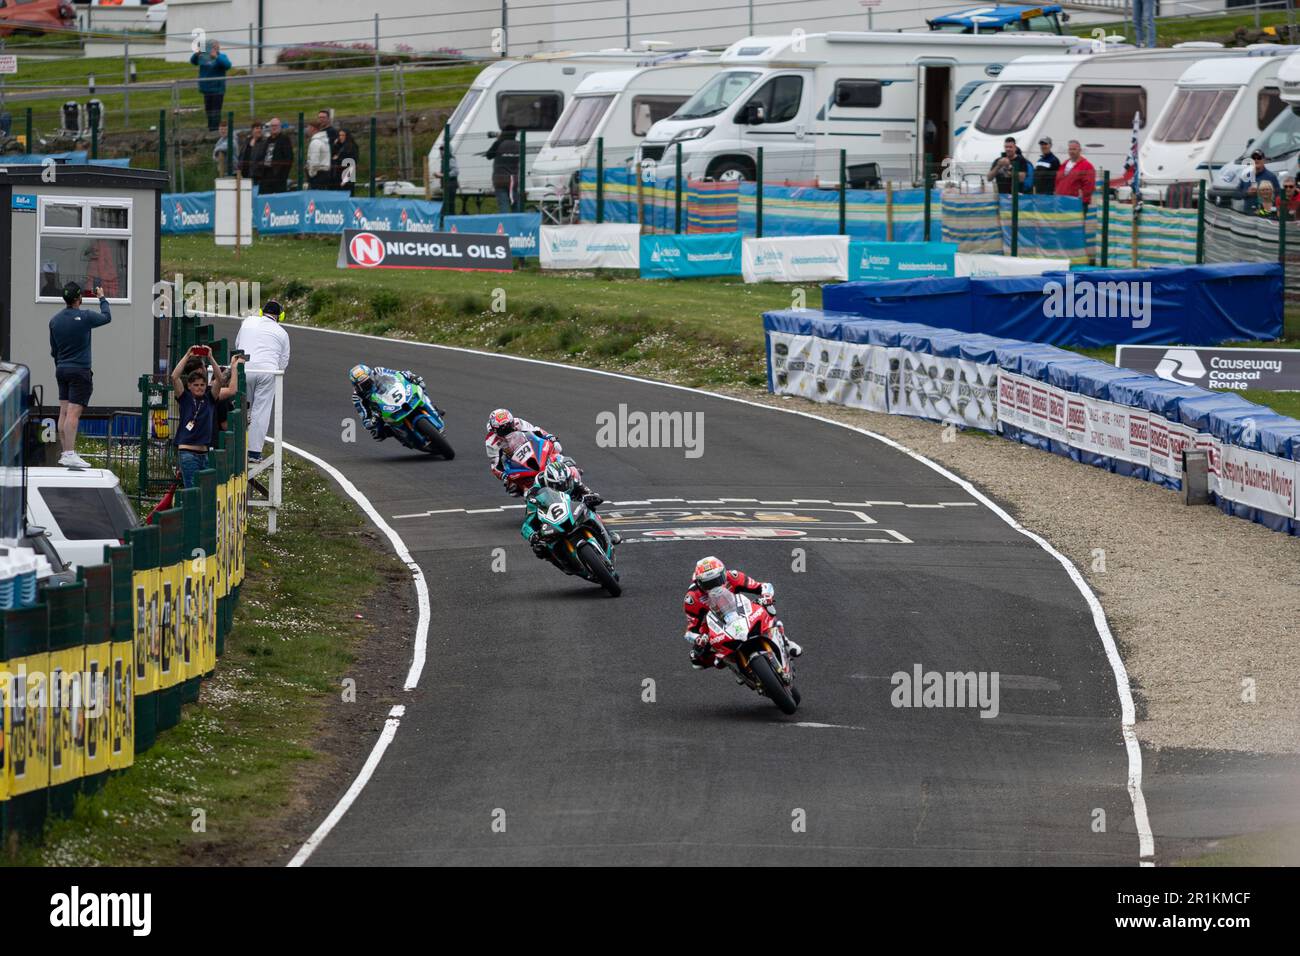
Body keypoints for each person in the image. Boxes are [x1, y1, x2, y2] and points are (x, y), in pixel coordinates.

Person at [680, 557, 800, 669]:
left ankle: (785, 641)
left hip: (739, 611)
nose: (715, 585)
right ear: (698, 583)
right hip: (713, 626)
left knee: (768, 609)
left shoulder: (732, 576)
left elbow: (763, 586)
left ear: (723, 573)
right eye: (708, 583)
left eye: (718, 580)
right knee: (696, 659)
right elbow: (690, 632)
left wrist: (766, 596)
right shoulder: (692, 598)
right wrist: (699, 639)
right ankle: (729, 662)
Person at [49, 282, 111, 468]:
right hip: (80, 370)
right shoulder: (85, 316)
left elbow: (54, 350)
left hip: (61, 369)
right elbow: (107, 317)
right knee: (73, 414)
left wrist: (61, 364)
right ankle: (69, 453)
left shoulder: (54, 320)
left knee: (64, 411)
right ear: (79, 298)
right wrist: (101, 297)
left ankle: (64, 452)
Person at [522, 458, 618, 561]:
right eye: (557, 486)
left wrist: (592, 497)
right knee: (540, 548)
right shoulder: (535, 490)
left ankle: (608, 533)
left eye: (564, 484)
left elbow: (588, 492)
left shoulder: (571, 479)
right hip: (550, 509)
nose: (562, 487)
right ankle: (557, 558)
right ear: (548, 482)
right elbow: (526, 524)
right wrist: (532, 536)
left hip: (571, 502)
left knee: (590, 507)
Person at [171, 347, 239, 488]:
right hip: (188, 452)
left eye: (202, 385)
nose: (199, 388)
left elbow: (220, 380)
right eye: (195, 385)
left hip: (204, 453)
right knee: (192, 489)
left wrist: (211, 357)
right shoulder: (184, 398)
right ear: (189, 386)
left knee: (207, 491)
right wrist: (187, 354)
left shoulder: (209, 398)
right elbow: (174, 377)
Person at [484, 408, 587, 498]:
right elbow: (495, 465)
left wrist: (551, 438)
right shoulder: (491, 441)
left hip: (532, 451)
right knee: (513, 489)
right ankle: (531, 499)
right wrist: (504, 476)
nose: (508, 429)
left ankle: (583, 488)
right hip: (515, 463)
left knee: (557, 449)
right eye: (503, 429)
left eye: (509, 425)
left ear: (512, 421)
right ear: (495, 429)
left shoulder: (518, 422)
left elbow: (536, 430)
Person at [234, 300, 290, 462]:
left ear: (261, 312)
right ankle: (253, 452)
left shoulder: (248, 321)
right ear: (280, 316)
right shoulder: (282, 332)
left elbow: (238, 344)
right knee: (261, 412)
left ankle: (235, 447)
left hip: (245, 367)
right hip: (267, 370)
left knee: (241, 407)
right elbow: (283, 363)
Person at [349, 364, 444, 441]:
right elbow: (365, 419)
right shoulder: (357, 397)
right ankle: (397, 434)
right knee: (377, 433)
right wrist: (373, 420)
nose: (367, 385)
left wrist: (412, 377)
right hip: (380, 410)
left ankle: (433, 408)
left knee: (419, 386)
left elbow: (399, 374)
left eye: (368, 381)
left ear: (372, 376)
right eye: (363, 385)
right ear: (357, 387)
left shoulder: (379, 371)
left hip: (395, 395)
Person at [190, 40, 232, 132]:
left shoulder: (221, 57)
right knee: (208, 110)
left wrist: (216, 57)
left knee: (216, 111)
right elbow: (193, 61)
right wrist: (196, 54)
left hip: (217, 90)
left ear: (217, 48)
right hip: (206, 89)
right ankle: (211, 128)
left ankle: (215, 129)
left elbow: (228, 65)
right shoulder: (203, 57)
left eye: (214, 47)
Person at [485, 128, 521, 213]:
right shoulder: (519, 144)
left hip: (499, 179)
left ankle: (505, 224)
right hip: (514, 179)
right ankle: (517, 223)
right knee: (515, 204)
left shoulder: (499, 143)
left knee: (503, 205)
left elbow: (488, 155)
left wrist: (499, 139)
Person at [1054, 140, 1096, 208]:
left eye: (1074, 149)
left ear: (1080, 150)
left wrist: (1081, 199)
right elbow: (1057, 181)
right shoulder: (1064, 164)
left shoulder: (1087, 166)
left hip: (1077, 203)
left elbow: (1089, 186)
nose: (1072, 151)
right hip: (1061, 201)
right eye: (1070, 149)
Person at [260, 117, 294, 194]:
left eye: (276, 125)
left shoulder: (284, 139)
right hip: (266, 174)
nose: (274, 127)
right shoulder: (268, 140)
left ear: (280, 127)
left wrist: (283, 175)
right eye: (272, 126)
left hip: (278, 176)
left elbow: (289, 158)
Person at [305, 120, 332, 189]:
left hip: (318, 175)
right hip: (325, 172)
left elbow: (314, 160)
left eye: (308, 128)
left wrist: (311, 174)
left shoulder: (315, 142)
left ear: (313, 129)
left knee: (316, 196)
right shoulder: (324, 141)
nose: (307, 130)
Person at [333, 128, 359, 196]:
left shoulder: (351, 147)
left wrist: (346, 179)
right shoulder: (342, 146)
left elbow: (352, 164)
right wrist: (336, 145)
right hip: (340, 175)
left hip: (347, 176)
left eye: (343, 135)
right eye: (339, 135)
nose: (340, 137)